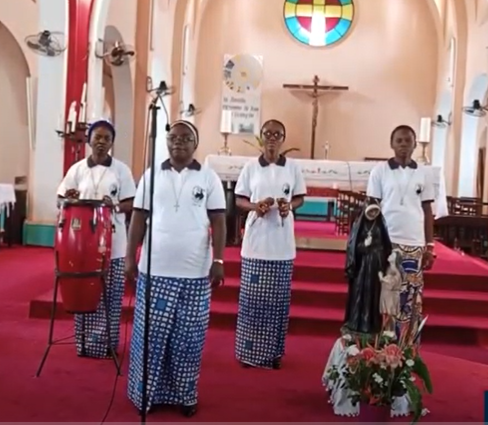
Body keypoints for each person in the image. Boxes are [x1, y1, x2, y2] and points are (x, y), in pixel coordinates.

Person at [124, 120, 227, 417]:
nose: (178, 143)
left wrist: (218, 261)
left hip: (195, 273)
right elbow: (139, 218)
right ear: (165, 142)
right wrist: (131, 257)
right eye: (172, 138)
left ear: (195, 145)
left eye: (185, 138)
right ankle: (146, 394)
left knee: (188, 339)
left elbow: (219, 221)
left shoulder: (208, 178)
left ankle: (186, 395)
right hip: (155, 270)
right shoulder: (151, 176)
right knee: (151, 338)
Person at [56, 119, 136, 358]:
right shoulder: (77, 169)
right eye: (97, 137)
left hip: (114, 238)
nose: (101, 142)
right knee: (86, 290)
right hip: (83, 242)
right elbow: (61, 198)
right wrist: (68, 197)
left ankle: (106, 344)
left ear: (112, 143)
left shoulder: (121, 170)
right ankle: (84, 344)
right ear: (90, 139)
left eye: (107, 138)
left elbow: (132, 202)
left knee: (110, 293)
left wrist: (116, 207)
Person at [233, 119, 307, 370]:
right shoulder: (251, 167)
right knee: (252, 300)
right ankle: (249, 353)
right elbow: (239, 199)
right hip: (256, 241)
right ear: (262, 137)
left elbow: (299, 198)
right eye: (268, 133)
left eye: (277, 134)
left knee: (277, 301)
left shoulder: (292, 167)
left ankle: (273, 353)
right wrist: (256, 206)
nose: (272, 137)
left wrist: (288, 206)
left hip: (281, 242)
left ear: (283, 138)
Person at [365, 125, 435, 340]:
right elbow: (372, 208)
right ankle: (382, 345)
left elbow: (427, 210)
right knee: (387, 295)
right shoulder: (380, 171)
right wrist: (372, 241)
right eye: (399, 140)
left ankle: (406, 348)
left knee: (410, 296)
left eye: (408, 140)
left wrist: (429, 246)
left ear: (415, 144)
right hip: (388, 241)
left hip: (414, 242)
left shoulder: (423, 173)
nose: (403, 144)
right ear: (392, 144)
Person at [343, 203, 393, 336]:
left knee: (373, 294)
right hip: (362, 267)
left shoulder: (379, 225)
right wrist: (364, 245)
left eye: (375, 211)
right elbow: (353, 247)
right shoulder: (360, 225)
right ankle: (357, 323)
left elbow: (385, 245)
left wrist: (379, 253)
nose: (372, 214)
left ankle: (371, 324)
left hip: (376, 266)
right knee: (360, 293)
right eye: (371, 211)